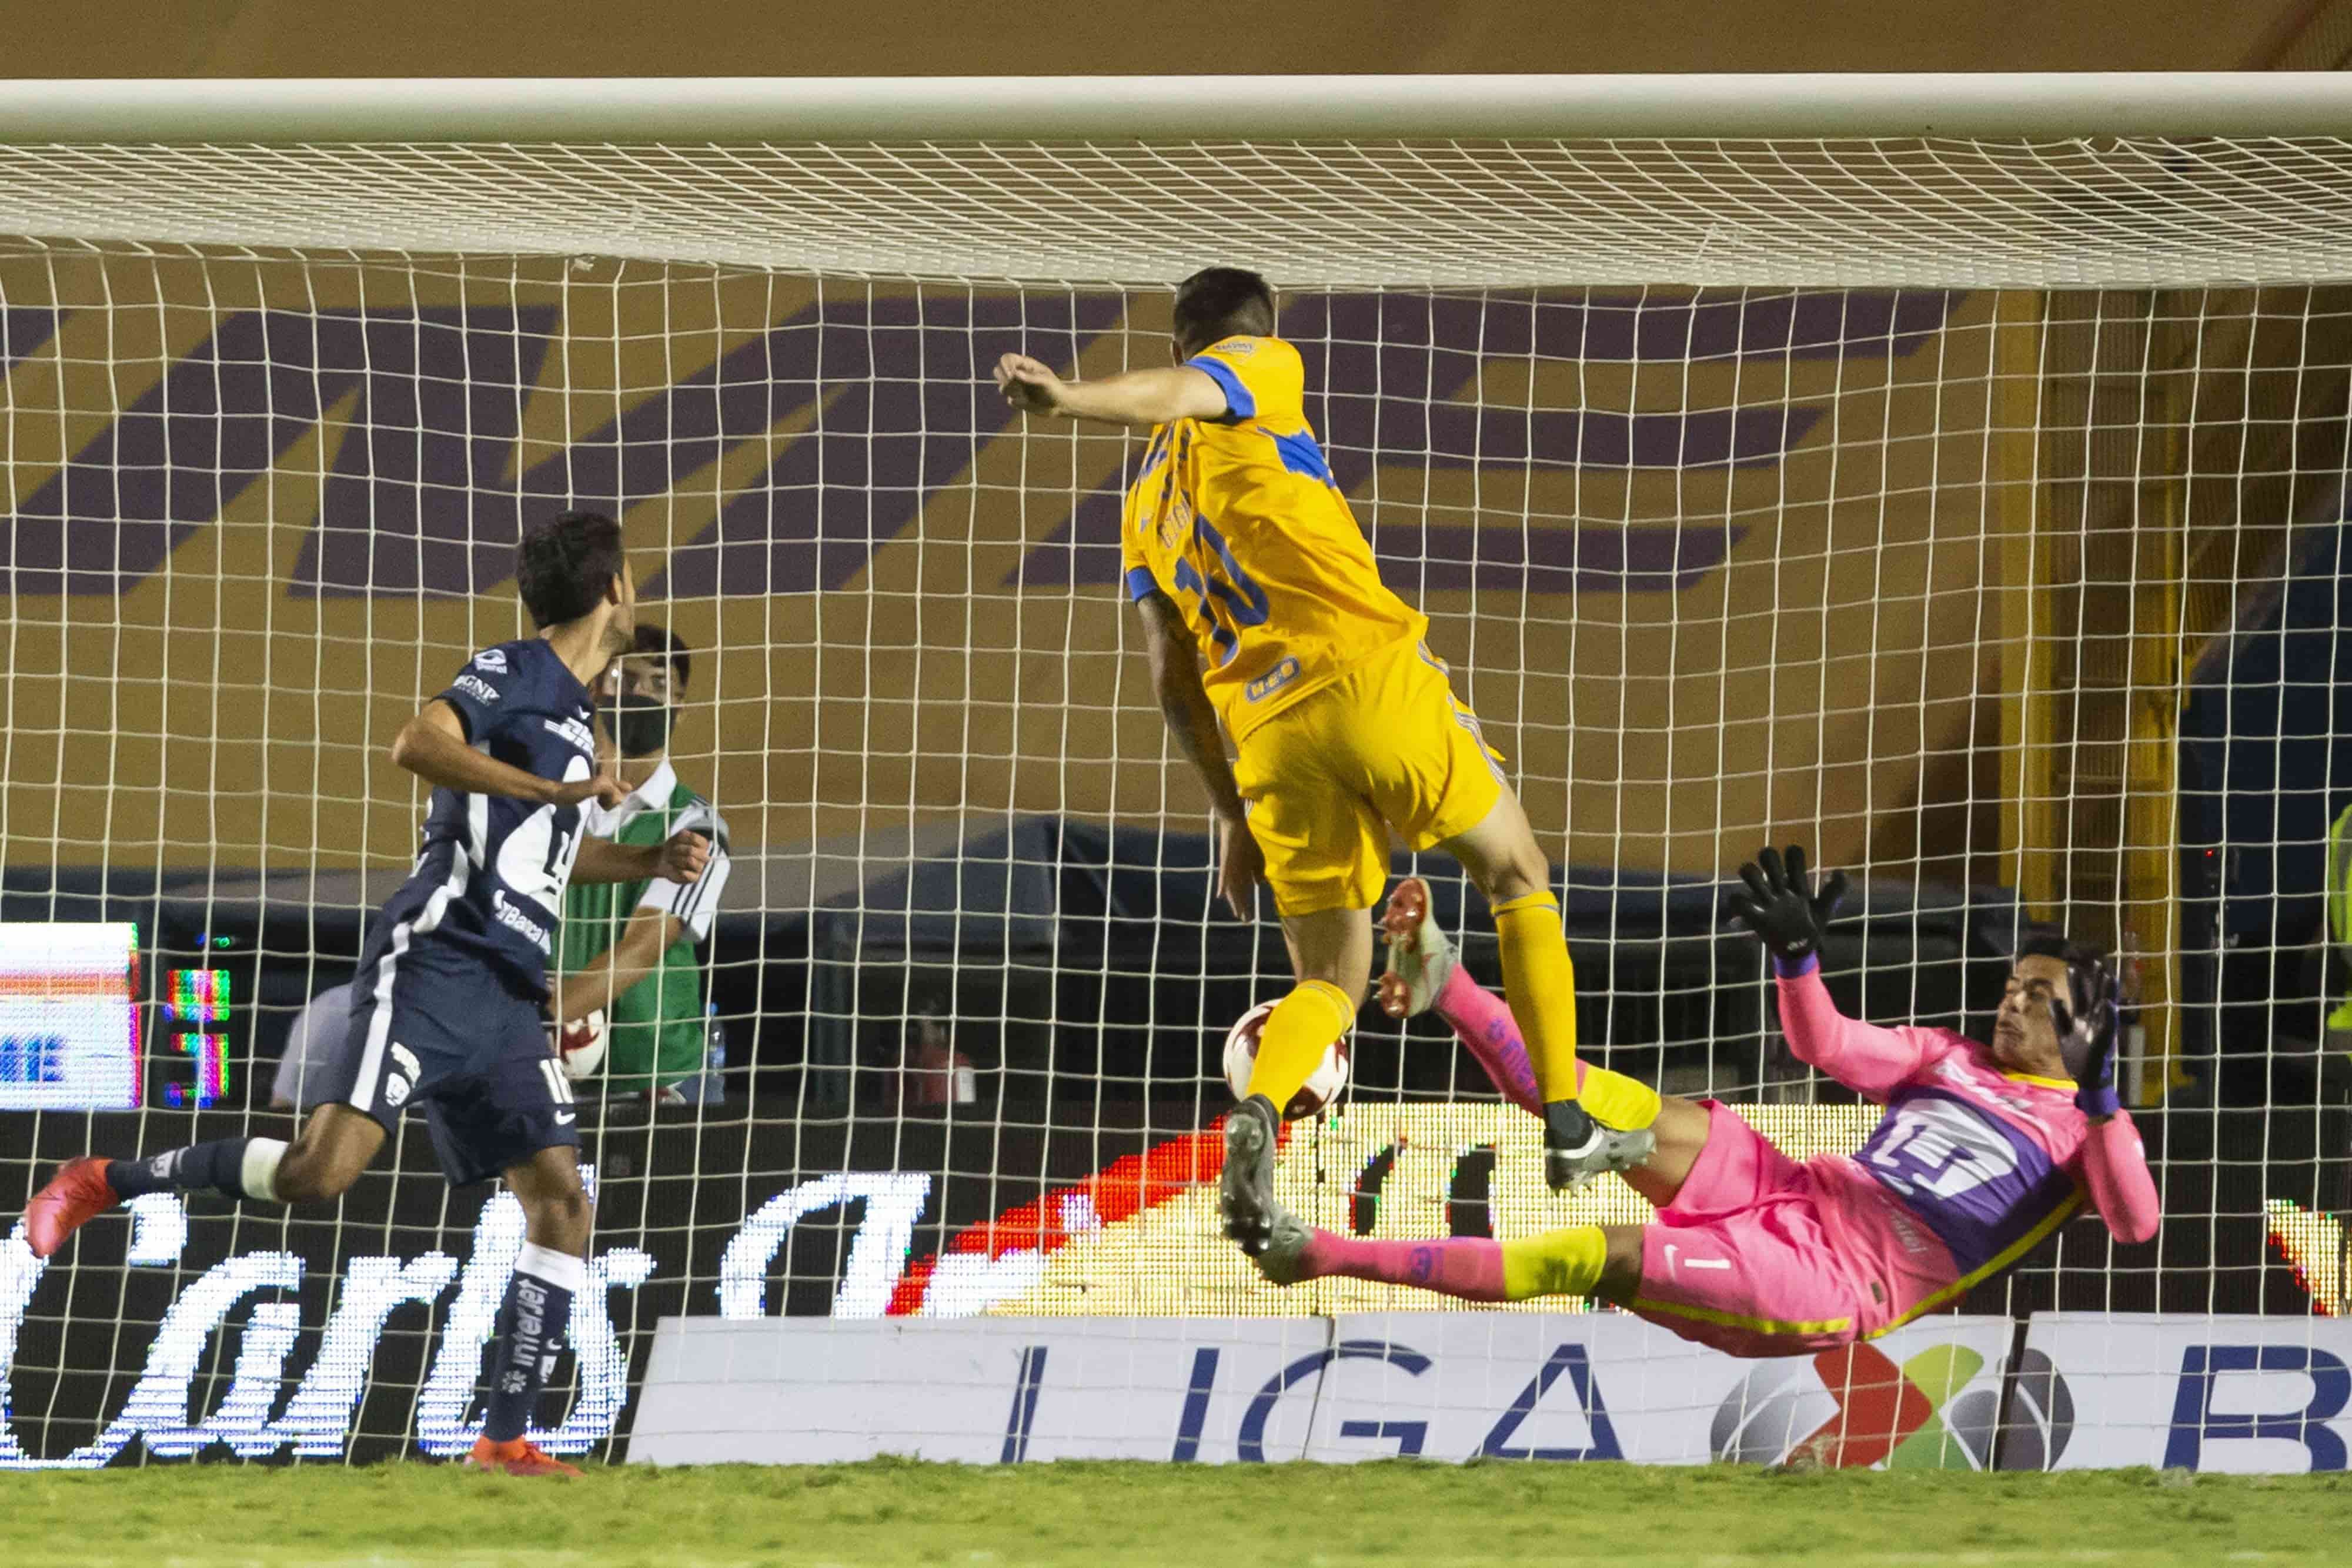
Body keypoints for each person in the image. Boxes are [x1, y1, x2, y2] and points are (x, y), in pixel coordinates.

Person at [21, 510, 711, 1476]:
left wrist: (646, 854)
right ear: (616, 589)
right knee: (320, 1174)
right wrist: (553, 791)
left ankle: (505, 1437)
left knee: (561, 1200)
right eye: (636, 577)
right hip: (436, 958)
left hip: (510, 992)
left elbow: (542, 851)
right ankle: (103, 1180)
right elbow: (415, 744)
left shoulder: (578, 716)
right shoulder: (511, 671)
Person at [993, 266, 1656, 1263]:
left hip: (1265, 737)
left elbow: (1170, 679)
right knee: (1518, 875)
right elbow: (1188, 394)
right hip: (1366, 680)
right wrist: (1070, 398)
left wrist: (1229, 815)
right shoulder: (1259, 369)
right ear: (1226, 349)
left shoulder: (1142, 509)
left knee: (1332, 979)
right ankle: (1568, 1124)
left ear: (1176, 341)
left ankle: (1258, 1106)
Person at [1252, 850, 2163, 1355]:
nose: (2009, 1000)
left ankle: (1323, 1254)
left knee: (1586, 1254)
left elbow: (2136, 1223)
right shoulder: (1949, 1055)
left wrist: (2101, 1097)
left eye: (2036, 996)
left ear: (2085, 1025)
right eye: (2012, 984)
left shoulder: (2084, 1134)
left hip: (1837, 1279)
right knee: (1584, 1092)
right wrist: (1799, 960)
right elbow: (1828, 1046)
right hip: (1799, 1183)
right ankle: (1444, 978)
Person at [552, 623, 731, 1105]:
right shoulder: (552, 804)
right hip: (551, 1075)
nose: (643, 696)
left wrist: (546, 1015)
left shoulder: (698, 824)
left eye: (660, 686)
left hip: (660, 1080)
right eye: (626, 681)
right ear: (594, 689)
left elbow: (642, 948)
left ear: (680, 708)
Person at [269, 978, 356, 1111]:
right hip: (337, 1122)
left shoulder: (329, 1000)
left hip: (308, 1120)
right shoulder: (334, 1002)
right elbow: (284, 1098)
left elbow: (283, 1098)